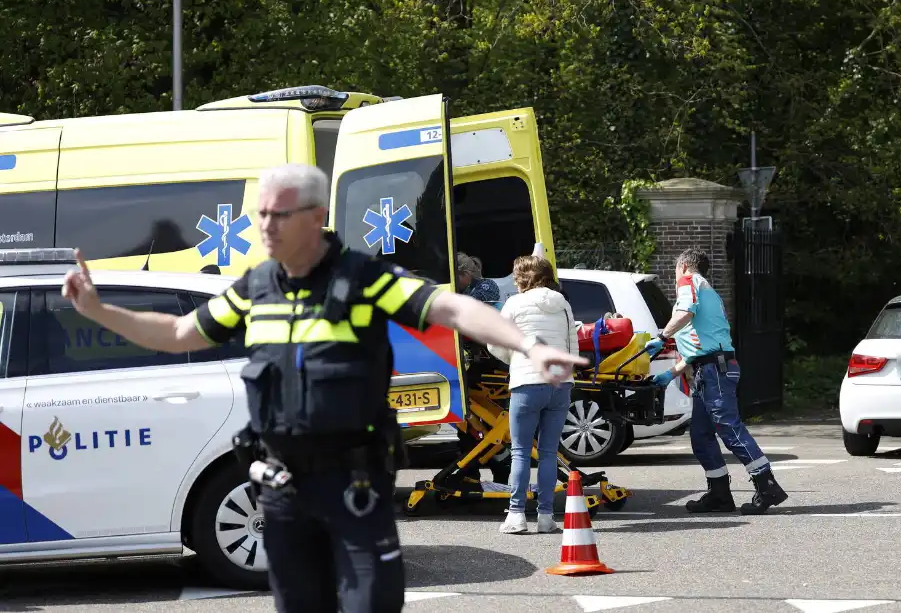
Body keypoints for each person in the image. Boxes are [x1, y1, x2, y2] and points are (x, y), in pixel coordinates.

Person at [59, 163, 588, 613]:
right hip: (281, 487)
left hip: (353, 482)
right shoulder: (255, 287)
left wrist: (528, 346)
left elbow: (449, 306)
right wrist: (99, 311)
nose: (264, 224)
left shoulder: (362, 278)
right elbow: (178, 333)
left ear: (315, 218)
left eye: (277, 214)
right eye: (260, 213)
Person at [643, 247, 788, 515]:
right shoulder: (708, 292)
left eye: (675, 271)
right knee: (700, 434)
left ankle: (767, 485)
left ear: (684, 266)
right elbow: (702, 346)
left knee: (728, 429)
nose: (675, 278)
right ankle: (719, 493)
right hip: (709, 369)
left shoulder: (690, 281)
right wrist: (670, 374)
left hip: (714, 371)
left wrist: (662, 336)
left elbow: (685, 314)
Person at [486, 255, 578, 534]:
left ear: (522, 277)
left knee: (521, 452)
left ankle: (516, 515)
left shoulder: (514, 303)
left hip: (527, 381)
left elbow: (494, 343)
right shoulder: (562, 304)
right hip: (561, 383)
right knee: (549, 452)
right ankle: (546, 517)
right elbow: (572, 346)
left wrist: (513, 360)